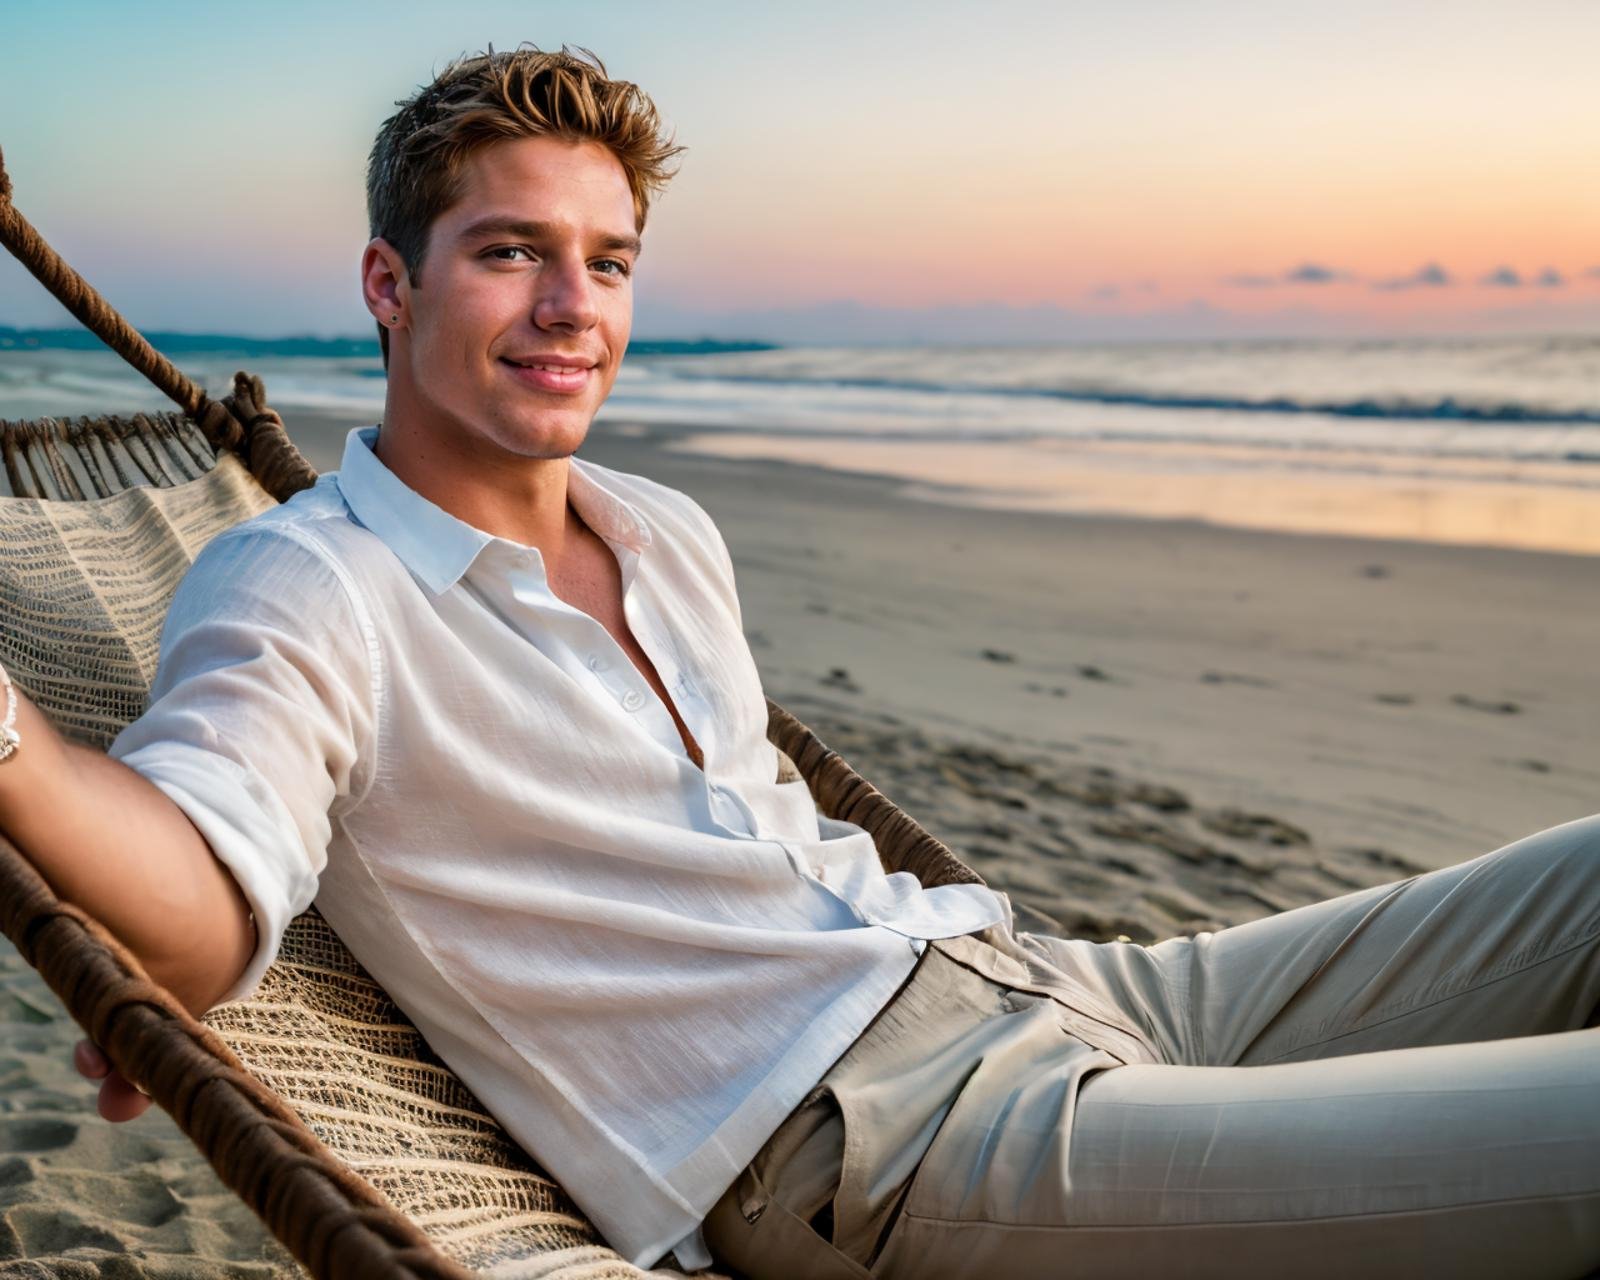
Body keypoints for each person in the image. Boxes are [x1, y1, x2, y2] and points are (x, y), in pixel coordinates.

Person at [0, 45, 1597, 1280]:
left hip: (1053, 984)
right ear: (388, 283)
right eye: (509, 254)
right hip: (901, 1153)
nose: (573, 310)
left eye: (610, 262)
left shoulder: (667, 530)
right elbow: (205, 899)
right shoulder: (306, 582)